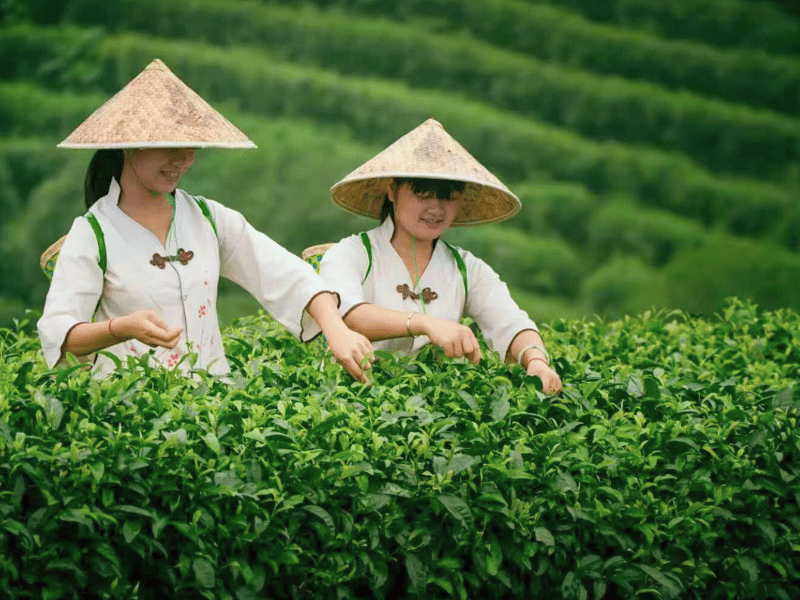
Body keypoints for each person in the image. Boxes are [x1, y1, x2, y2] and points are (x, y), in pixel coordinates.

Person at [37, 59, 373, 382]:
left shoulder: (208, 219)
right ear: (128, 147)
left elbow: (285, 274)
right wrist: (120, 328)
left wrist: (336, 329)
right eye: (170, 147)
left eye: (191, 146)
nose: (183, 160)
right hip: (130, 411)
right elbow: (59, 332)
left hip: (210, 405)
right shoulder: (93, 232)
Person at [312, 118, 561, 394]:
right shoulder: (352, 253)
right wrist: (424, 323)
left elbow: (510, 321)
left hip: (431, 406)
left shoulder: (465, 269)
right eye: (422, 193)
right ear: (393, 190)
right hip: (353, 398)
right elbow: (346, 314)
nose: (436, 208)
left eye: (447, 196)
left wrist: (536, 360)